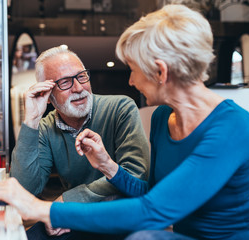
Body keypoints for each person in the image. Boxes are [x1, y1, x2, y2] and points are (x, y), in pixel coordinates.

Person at [0, 4, 249, 240]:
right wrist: (108, 166)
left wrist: (44, 209)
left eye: (134, 70)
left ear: (160, 72)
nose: (131, 81)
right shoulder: (164, 117)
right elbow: (149, 191)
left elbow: (153, 210)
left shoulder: (233, 127)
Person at [10, 45, 150, 237]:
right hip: (77, 218)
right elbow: (25, 189)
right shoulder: (45, 127)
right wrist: (31, 120)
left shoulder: (121, 108)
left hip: (119, 216)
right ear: (48, 96)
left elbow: (136, 174)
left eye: (81, 76)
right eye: (65, 82)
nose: (79, 88)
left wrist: (69, 201)